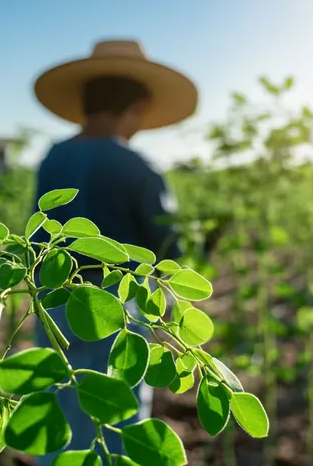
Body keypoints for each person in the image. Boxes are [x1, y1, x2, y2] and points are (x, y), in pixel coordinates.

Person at [30, 39, 209, 463]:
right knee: (117, 409)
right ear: (138, 107)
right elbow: (166, 247)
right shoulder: (137, 165)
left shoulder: (53, 157)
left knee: (59, 398)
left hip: (49, 298)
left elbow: (37, 229)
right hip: (115, 305)